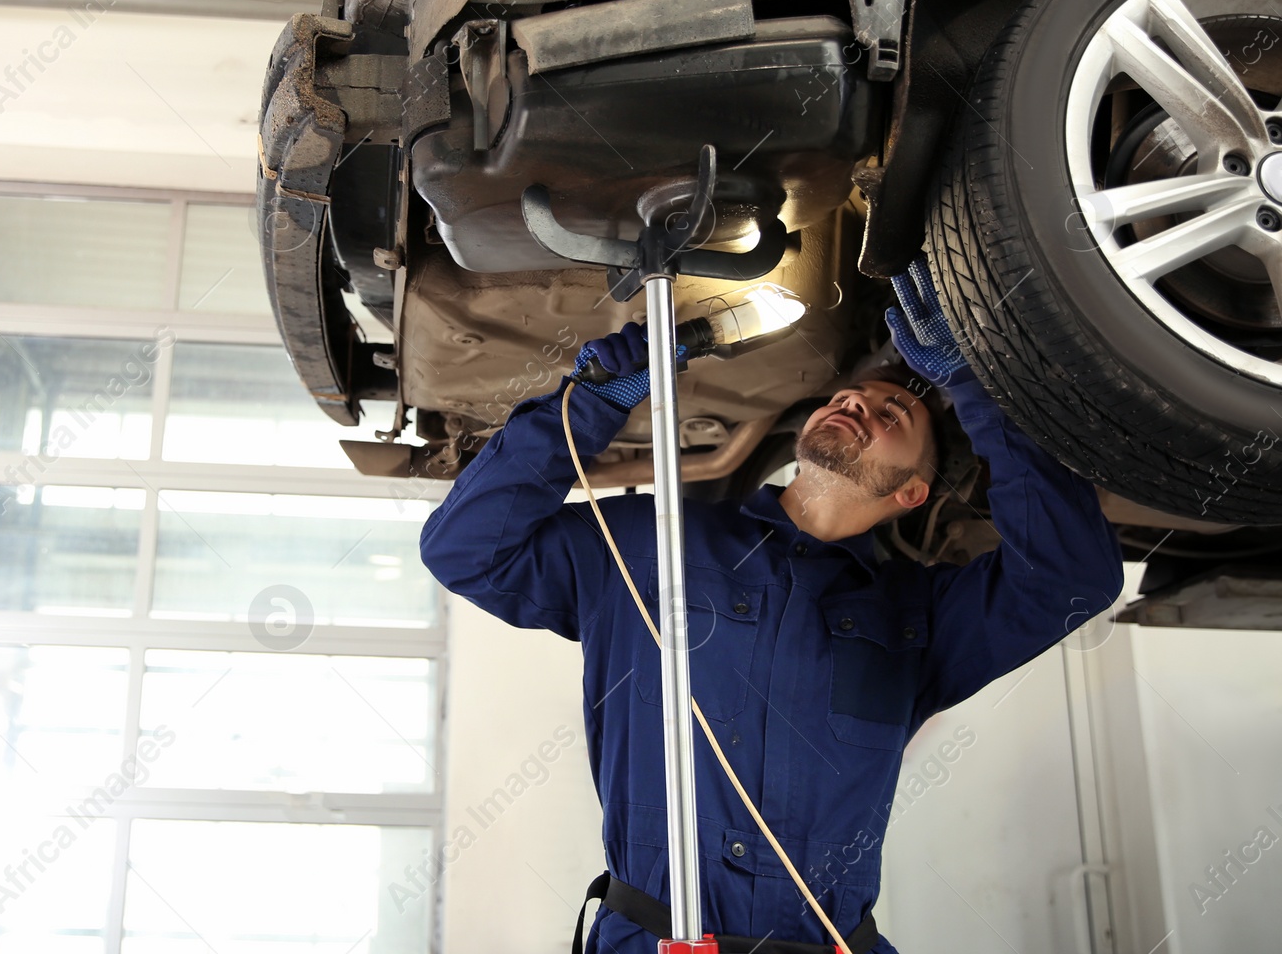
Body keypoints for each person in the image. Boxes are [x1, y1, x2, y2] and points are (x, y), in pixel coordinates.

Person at [418, 257, 1125, 954]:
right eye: (847, 398)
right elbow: (466, 550)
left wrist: (973, 383)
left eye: (892, 415)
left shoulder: (920, 622)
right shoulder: (647, 542)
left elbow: (1074, 578)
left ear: (912, 491)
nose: (857, 404)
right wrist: (592, 405)